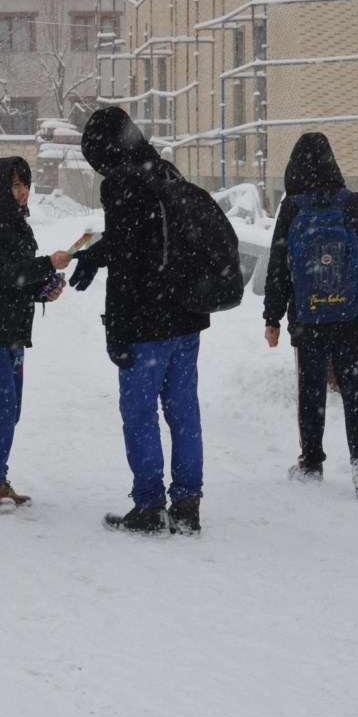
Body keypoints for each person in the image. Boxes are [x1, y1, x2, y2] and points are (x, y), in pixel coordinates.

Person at [70, 106, 207, 535]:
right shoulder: (164, 171)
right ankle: (187, 505)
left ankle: (149, 505)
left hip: (147, 323)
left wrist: (117, 331)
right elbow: (141, 237)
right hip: (185, 316)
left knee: (140, 412)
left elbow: (129, 262)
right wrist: (96, 254)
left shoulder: (120, 184)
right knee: (184, 412)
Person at [262, 132, 358, 499]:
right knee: (356, 390)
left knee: (311, 390)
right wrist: (356, 296)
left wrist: (273, 317)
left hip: (308, 317)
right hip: (352, 319)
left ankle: (311, 462)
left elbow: (277, 269)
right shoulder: (353, 204)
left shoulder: (292, 209)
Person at [0, 156, 71, 511]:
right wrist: (46, 265)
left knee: (11, 410)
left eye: (25, 184)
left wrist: (44, 289)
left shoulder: (20, 226)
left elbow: (19, 284)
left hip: (12, 331)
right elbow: (3, 275)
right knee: (1, 409)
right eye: (14, 185)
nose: (22, 192)